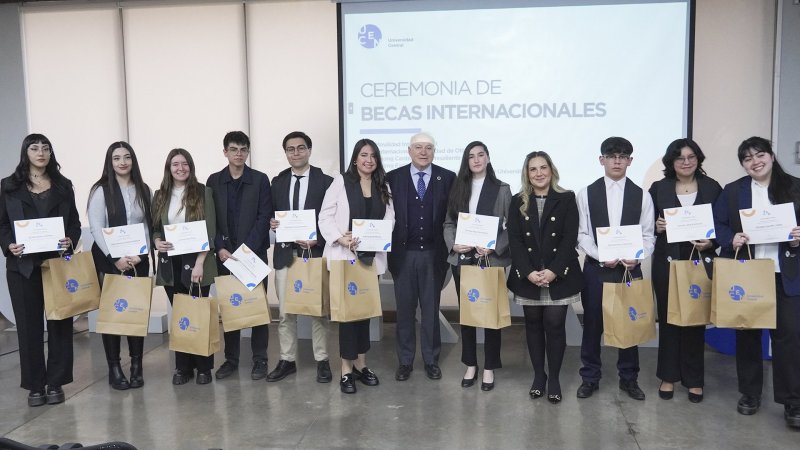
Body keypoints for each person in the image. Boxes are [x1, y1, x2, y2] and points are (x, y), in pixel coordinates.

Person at [712, 136, 800, 428]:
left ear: (771, 156)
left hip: (785, 273)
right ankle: (750, 393)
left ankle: (793, 400)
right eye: (747, 158)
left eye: (760, 155)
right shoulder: (733, 191)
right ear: (743, 165)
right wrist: (731, 238)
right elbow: (718, 225)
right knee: (747, 334)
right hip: (748, 272)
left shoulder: (795, 187)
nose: (755, 162)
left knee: (789, 337)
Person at [0, 133, 81, 407]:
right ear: (26, 153)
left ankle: (55, 382)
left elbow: (74, 223)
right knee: (28, 327)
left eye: (45, 148)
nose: (41, 153)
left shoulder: (63, 185)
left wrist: (70, 240)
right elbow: (2, 224)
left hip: (57, 265)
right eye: (34, 148)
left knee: (60, 324)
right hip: (22, 266)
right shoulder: (9, 186)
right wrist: (8, 244)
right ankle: (35, 386)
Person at [576, 136, 655, 400]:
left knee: (629, 323)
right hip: (597, 269)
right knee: (592, 324)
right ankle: (590, 377)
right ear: (602, 160)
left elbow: (648, 235)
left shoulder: (642, 196)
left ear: (630, 161)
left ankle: (629, 379)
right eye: (611, 156)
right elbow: (582, 234)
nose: (617, 161)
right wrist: (601, 256)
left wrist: (638, 257)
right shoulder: (586, 193)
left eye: (622, 157)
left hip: (629, 269)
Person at [318, 139, 394, 393]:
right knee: (348, 317)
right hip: (345, 258)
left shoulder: (383, 184)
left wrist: (379, 235)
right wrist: (340, 238)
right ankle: (346, 370)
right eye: (364, 155)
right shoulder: (341, 182)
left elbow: (390, 218)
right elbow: (325, 216)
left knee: (364, 313)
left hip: (371, 260)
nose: (368, 160)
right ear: (355, 158)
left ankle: (362, 365)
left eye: (373, 155)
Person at [507, 151, 583, 404]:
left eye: (543, 167)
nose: (539, 173)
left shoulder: (567, 198)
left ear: (551, 170)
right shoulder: (517, 201)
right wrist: (529, 272)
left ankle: (555, 379)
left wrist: (553, 271)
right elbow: (515, 240)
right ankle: (539, 376)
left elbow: (569, 238)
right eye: (533, 169)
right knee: (532, 325)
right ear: (527, 174)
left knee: (554, 324)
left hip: (558, 274)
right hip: (528, 275)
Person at [649, 138, 721, 403]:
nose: (686, 162)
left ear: (698, 159)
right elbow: (645, 225)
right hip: (667, 262)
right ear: (671, 162)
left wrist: (712, 243)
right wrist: (656, 226)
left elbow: (724, 224)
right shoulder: (659, 188)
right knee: (668, 320)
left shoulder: (712, 187)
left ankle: (694, 380)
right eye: (680, 158)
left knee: (694, 321)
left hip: (700, 262)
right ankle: (668, 376)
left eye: (691, 157)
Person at [386, 132, 456, 381]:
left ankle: (431, 360)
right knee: (404, 311)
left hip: (434, 256)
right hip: (403, 255)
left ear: (434, 152)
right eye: (418, 147)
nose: (423, 152)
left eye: (428, 147)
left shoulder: (448, 178)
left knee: (430, 311)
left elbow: (454, 215)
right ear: (409, 151)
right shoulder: (393, 178)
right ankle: (405, 361)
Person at [442, 141, 511, 391]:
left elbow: (512, 226)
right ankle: (470, 364)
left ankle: (489, 367)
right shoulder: (458, 187)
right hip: (463, 260)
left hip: (490, 261)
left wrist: (495, 247)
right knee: (468, 314)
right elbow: (448, 223)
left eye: (481, 155)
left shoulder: (502, 189)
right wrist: (454, 244)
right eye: (471, 156)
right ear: (466, 161)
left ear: (488, 158)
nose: (477, 160)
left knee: (490, 314)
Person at [267, 131, 334, 383]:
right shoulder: (277, 182)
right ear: (286, 153)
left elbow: (333, 220)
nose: (296, 153)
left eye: (301, 148)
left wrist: (319, 239)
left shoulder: (326, 182)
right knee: (285, 313)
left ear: (309, 150)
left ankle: (322, 360)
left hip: (314, 255)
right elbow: (270, 215)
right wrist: (272, 223)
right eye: (291, 149)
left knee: (318, 311)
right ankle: (287, 360)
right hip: (286, 255)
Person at [206, 131, 273, 381]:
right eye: (233, 149)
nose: (239, 154)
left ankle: (260, 359)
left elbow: (264, 217)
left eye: (243, 149)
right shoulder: (214, 181)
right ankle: (231, 360)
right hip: (225, 257)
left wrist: (246, 250)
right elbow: (210, 219)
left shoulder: (260, 179)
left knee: (258, 308)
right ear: (225, 152)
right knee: (230, 307)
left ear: (248, 152)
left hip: (253, 256)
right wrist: (219, 248)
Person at [87, 141, 153, 390]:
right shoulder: (100, 190)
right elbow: (96, 228)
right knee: (113, 314)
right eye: (116, 158)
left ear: (133, 160)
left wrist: (141, 255)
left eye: (127, 157)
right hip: (109, 261)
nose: (122, 162)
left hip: (137, 260)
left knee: (136, 311)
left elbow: (148, 226)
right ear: (110, 162)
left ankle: (137, 366)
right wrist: (115, 258)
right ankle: (114, 368)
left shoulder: (144, 189)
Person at [152, 148, 218, 385]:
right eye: (175, 164)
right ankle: (183, 367)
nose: (180, 168)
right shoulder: (160, 195)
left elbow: (210, 230)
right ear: (168, 169)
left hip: (198, 262)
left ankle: (204, 367)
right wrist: (157, 241)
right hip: (171, 263)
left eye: (184, 163)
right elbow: (155, 229)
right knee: (181, 315)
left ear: (191, 166)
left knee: (198, 314)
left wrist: (200, 263)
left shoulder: (203, 192)